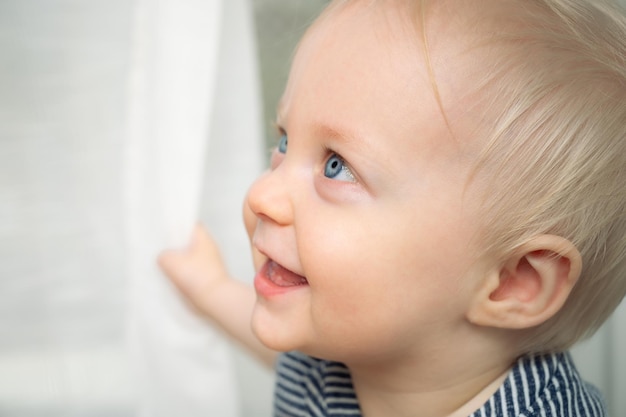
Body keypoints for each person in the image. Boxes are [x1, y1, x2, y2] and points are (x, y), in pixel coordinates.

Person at [158, 0, 626, 415]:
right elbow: (291, 365)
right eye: (284, 140)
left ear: (512, 281)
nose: (262, 194)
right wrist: (211, 289)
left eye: (338, 166)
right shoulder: (341, 351)